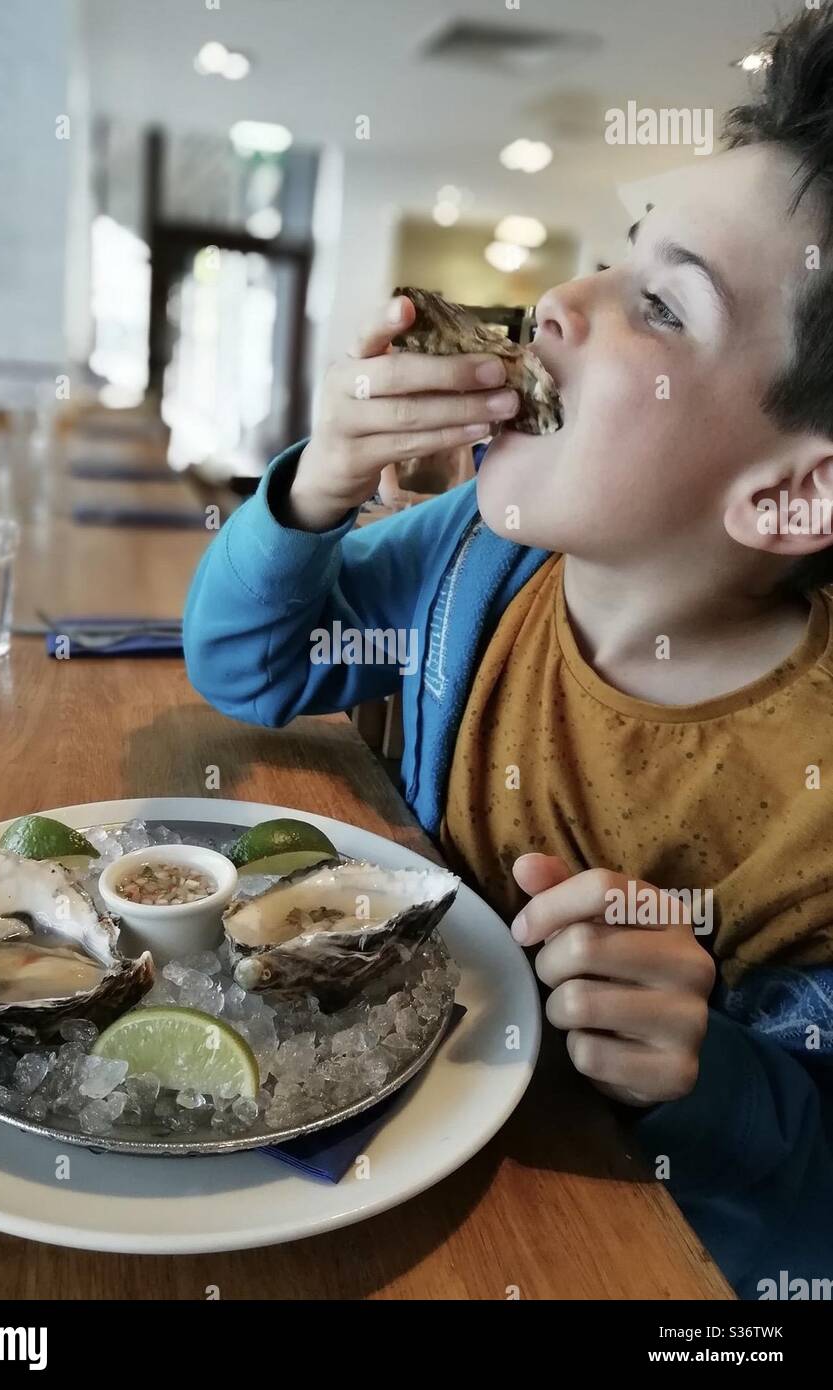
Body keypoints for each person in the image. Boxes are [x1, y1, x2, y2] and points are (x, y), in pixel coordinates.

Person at [184, 5, 833, 1298]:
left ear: (786, 497)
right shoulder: (470, 556)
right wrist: (315, 488)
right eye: (611, 253)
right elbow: (247, 668)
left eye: (656, 300)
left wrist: (705, 1067)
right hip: (388, 1135)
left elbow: (809, 1185)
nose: (554, 300)